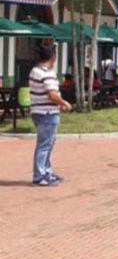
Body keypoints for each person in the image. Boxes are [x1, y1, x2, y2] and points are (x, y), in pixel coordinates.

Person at [29, 43, 72, 186]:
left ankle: (46, 171)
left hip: (38, 111)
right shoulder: (47, 73)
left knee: (47, 144)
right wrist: (63, 103)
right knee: (45, 145)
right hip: (47, 113)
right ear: (53, 56)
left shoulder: (35, 71)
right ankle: (40, 175)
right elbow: (52, 94)